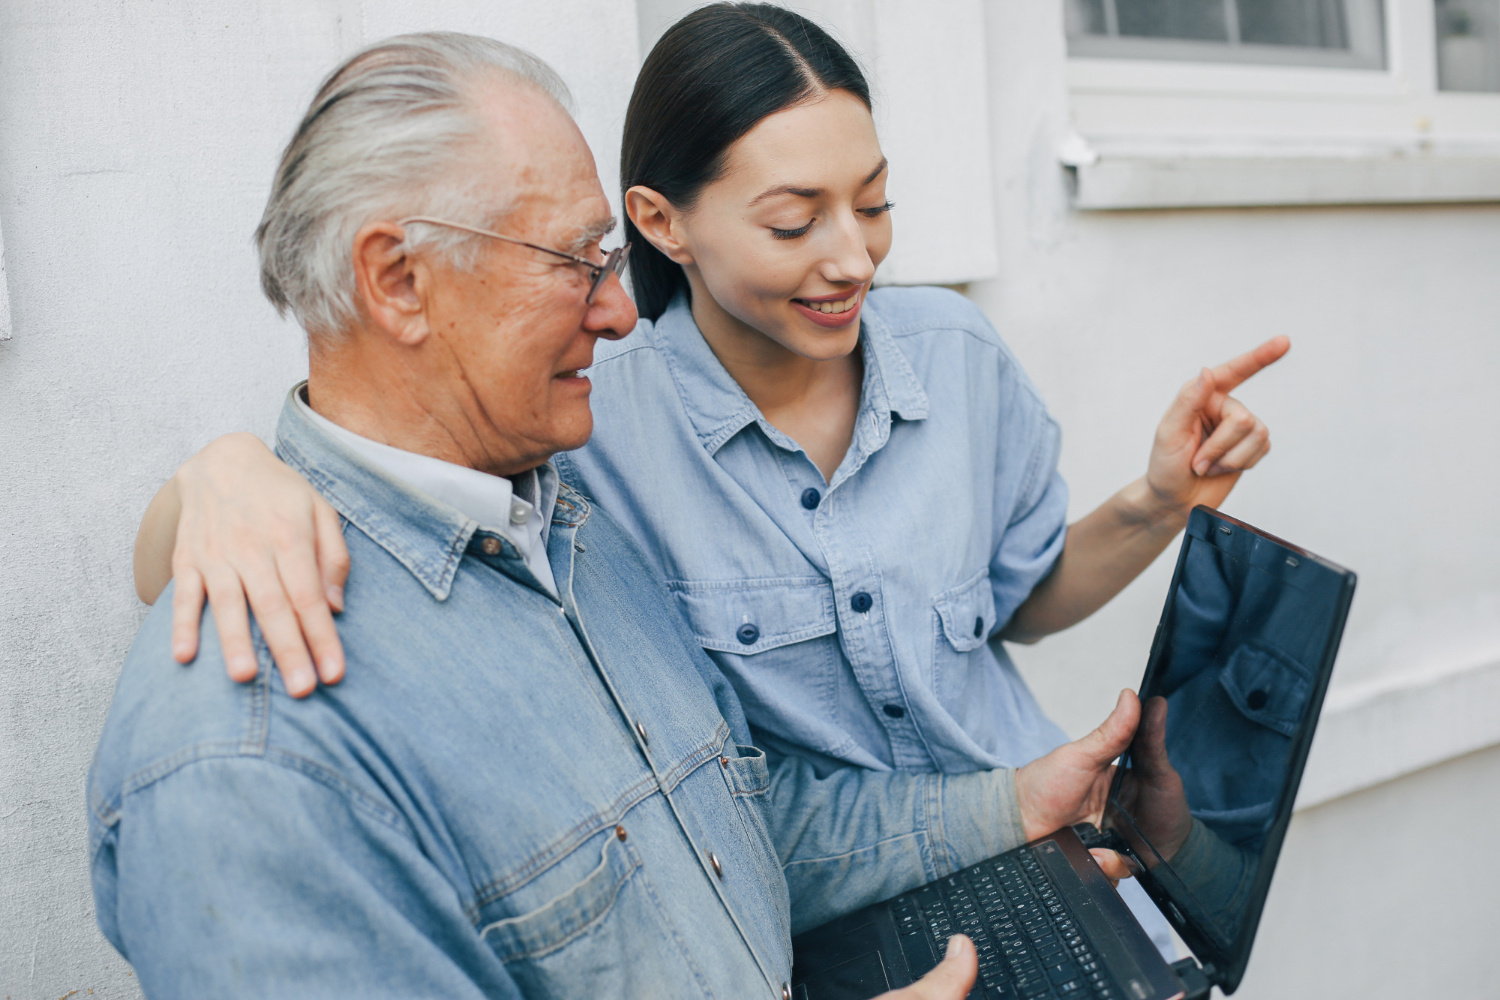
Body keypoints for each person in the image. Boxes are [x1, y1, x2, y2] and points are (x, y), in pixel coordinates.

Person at [134, 2, 1282, 940]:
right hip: (842, 924)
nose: (853, 257)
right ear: (663, 224)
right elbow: (348, 486)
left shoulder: (948, 358)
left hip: (1038, 832)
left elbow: (1011, 608)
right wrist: (223, 474)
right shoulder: (580, 429)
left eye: (875, 204)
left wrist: (1157, 500)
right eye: (794, 223)